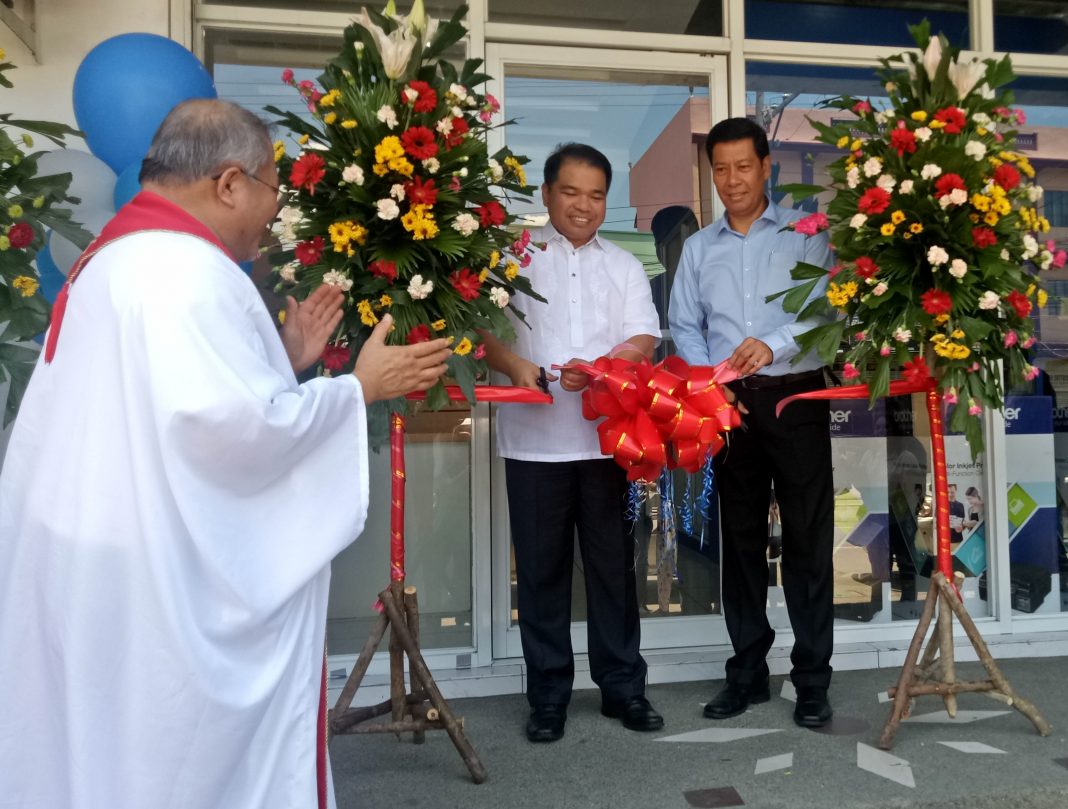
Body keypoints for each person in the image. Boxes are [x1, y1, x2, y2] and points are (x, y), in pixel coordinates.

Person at [0, 99, 451, 809]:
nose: (274, 213)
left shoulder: (119, 258)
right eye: (274, 189)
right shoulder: (187, 274)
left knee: (100, 749)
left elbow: (186, 415)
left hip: (99, 560)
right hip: (159, 583)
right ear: (231, 182)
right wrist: (358, 388)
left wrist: (285, 359)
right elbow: (241, 437)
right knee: (164, 761)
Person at [480, 143, 664, 743]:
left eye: (595, 194)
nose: (584, 206)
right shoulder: (513, 259)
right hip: (535, 442)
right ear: (547, 194)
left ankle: (623, 689)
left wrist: (609, 367)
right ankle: (549, 696)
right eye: (571, 192)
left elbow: (644, 335)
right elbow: (482, 330)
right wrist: (513, 366)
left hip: (609, 442)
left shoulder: (624, 265)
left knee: (614, 570)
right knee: (541, 572)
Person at [668, 117, 835, 729]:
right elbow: (683, 326)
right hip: (727, 407)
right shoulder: (697, 248)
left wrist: (774, 343)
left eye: (744, 166)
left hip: (797, 399)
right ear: (711, 173)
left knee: (808, 543)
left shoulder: (805, 234)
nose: (732, 180)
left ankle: (813, 679)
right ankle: (747, 674)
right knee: (737, 544)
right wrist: (715, 383)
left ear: (767, 167)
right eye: (721, 168)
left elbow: (825, 311)